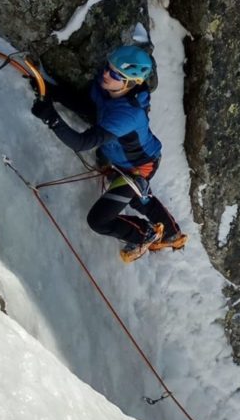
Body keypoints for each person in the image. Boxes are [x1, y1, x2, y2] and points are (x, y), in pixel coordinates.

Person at [31, 45, 187, 263]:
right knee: (136, 197)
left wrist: (52, 119)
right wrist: (49, 91)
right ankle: (172, 233)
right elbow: (86, 106)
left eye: (115, 74)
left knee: (99, 221)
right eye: (108, 67)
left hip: (138, 166)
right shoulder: (109, 89)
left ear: (131, 82)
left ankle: (145, 234)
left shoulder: (127, 116)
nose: (105, 74)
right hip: (120, 160)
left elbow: (83, 142)